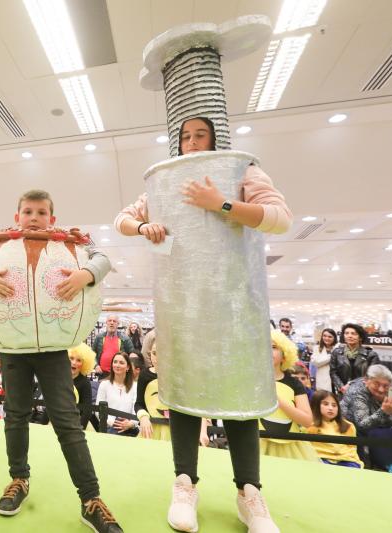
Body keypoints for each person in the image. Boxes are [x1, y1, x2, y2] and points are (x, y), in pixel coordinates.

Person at [115, 117, 293, 533]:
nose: (192, 142)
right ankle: (184, 482)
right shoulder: (165, 180)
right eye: (186, 136)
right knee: (182, 389)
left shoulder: (243, 169)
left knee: (240, 394)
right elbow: (122, 218)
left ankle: (250, 493)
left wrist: (223, 203)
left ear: (216, 138)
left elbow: (280, 217)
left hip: (235, 304)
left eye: (201, 135)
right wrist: (144, 226)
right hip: (183, 306)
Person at [0, 189, 122, 532]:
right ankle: (18, 479)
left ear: (52, 217)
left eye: (41, 212)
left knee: (67, 421)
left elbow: (103, 259)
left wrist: (87, 274)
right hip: (13, 348)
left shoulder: (71, 243)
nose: (33, 217)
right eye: (27, 211)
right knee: (15, 416)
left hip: (53, 348)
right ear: (17, 214)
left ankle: (90, 499)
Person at [340, 365, 392, 469]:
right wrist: (383, 412)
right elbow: (362, 424)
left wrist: (390, 434)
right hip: (355, 436)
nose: (381, 389)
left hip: (385, 438)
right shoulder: (358, 392)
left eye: (386, 385)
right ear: (367, 380)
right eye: (376, 384)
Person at [260, 331, 318, 462]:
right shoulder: (251, 381)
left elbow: (307, 421)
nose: (268, 351)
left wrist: (277, 401)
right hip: (255, 443)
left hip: (290, 447)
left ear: (285, 355)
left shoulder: (294, 384)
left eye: (274, 347)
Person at [306, 390, 363, 468]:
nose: (330, 408)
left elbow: (352, 448)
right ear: (315, 405)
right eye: (326, 404)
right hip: (321, 460)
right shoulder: (309, 425)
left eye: (334, 405)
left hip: (346, 460)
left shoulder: (348, 425)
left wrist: (354, 462)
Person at [330, 323, 382, 395]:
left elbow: (372, 376)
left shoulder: (371, 355)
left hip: (363, 394)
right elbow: (333, 373)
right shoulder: (336, 353)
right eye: (346, 333)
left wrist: (351, 385)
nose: (349, 336)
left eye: (353, 333)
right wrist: (342, 387)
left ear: (360, 337)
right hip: (343, 394)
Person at [97, 352, 138, 437]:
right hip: (109, 427)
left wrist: (131, 423)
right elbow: (98, 410)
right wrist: (113, 423)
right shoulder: (104, 385)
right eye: (115, 362)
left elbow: (137, 408)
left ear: (128, 367)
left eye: (121, 363)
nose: (117, 365)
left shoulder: (135, 386)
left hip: (130, 428)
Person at [69, 343, 96, 430]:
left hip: (78, 423)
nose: (74, 363)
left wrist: (79, 429)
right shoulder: (60, 378)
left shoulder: (85, 383)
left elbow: (87, 410)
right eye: (71, 358)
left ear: (84, 364)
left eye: (78, 360)